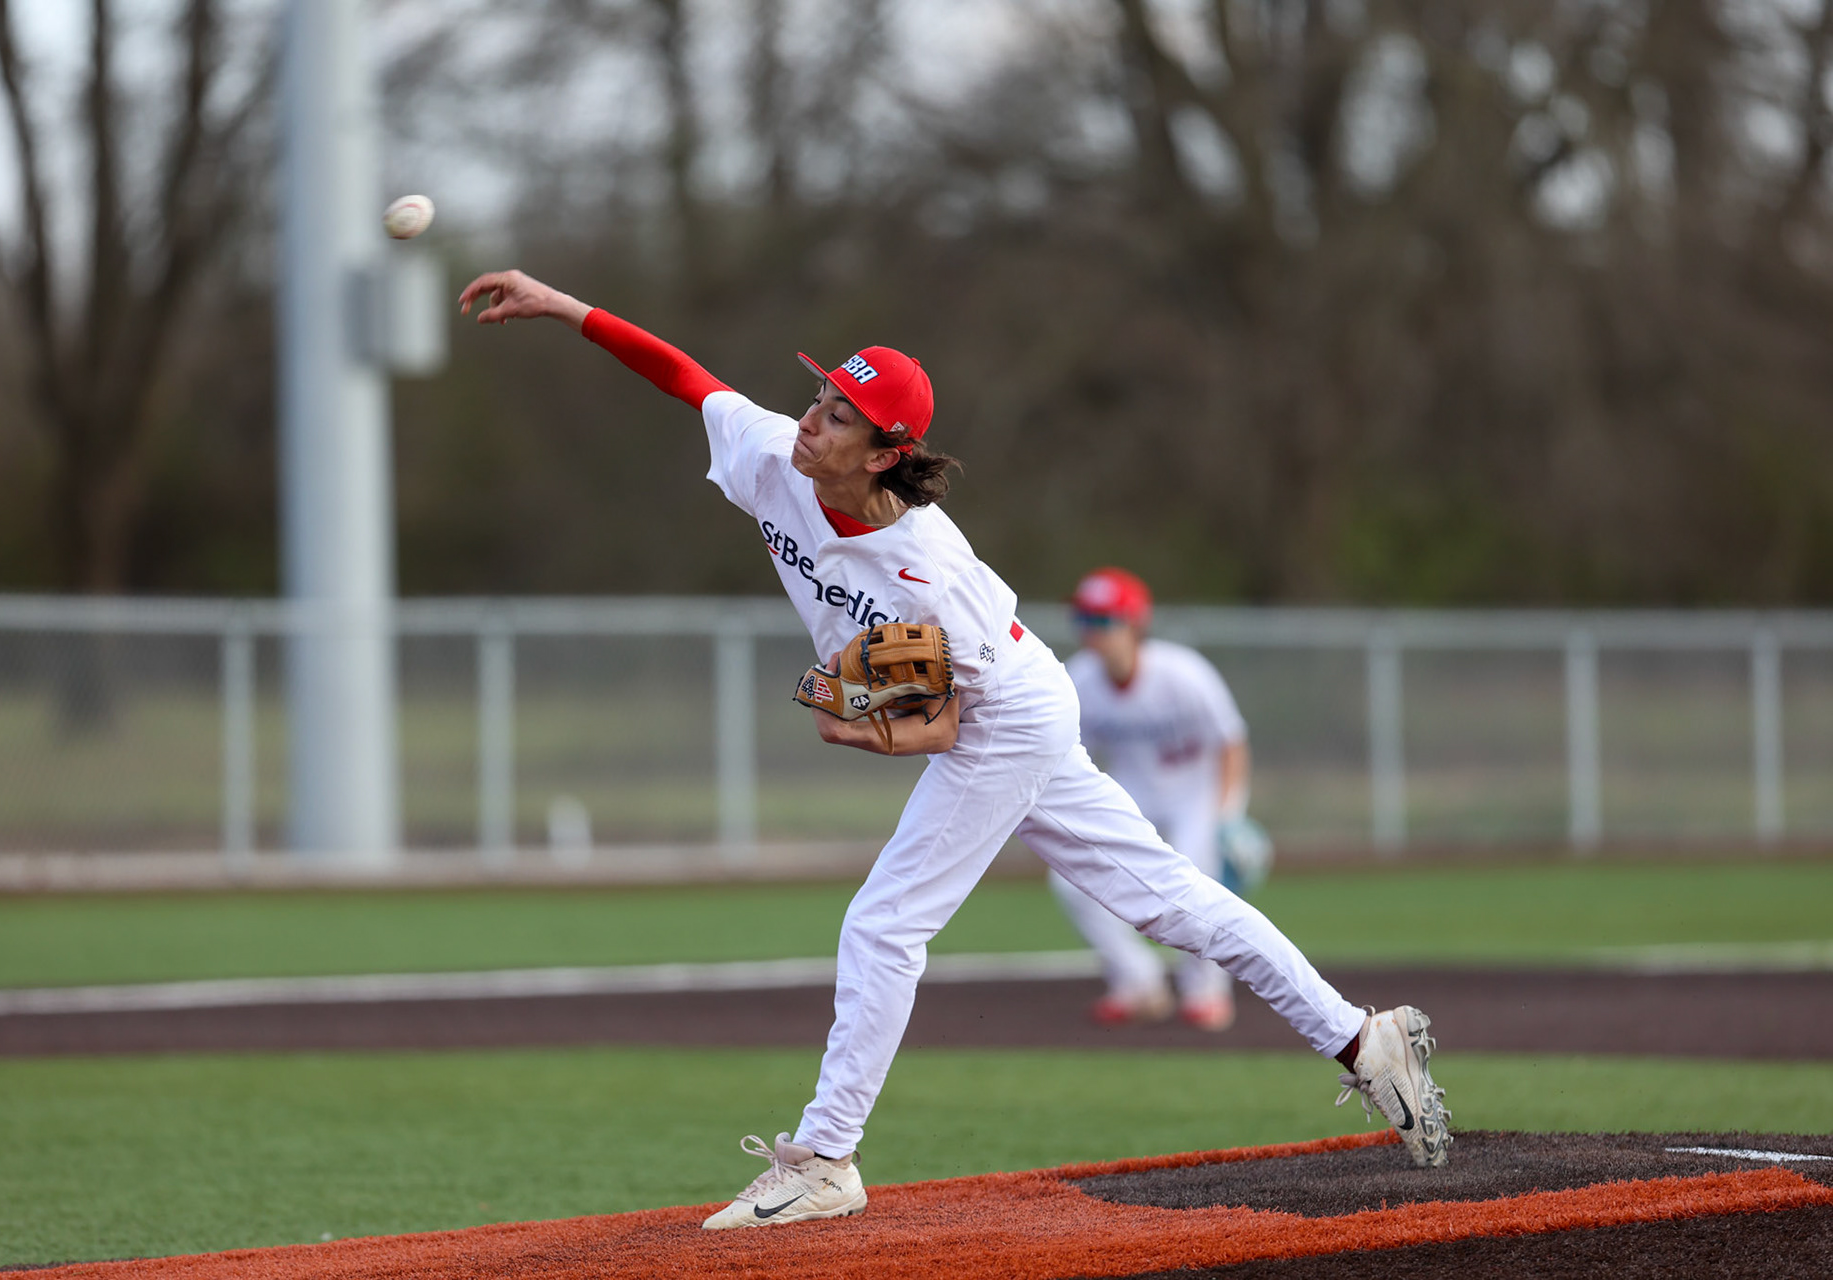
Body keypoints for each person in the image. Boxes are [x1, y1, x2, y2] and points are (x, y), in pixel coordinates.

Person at [455, 270, 1454, 1228]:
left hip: (1004, 707)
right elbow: (684, 374)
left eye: (840, 414)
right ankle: (1366, 1038)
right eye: (819, 394)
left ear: (885, 452)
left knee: (886, 922)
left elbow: (944, 727)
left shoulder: (929, 574)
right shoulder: (773, 454)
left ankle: (825, 1158)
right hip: (1012, 698)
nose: (813, 416)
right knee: (1169, 899)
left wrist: (856, 724)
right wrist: (563, 305)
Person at [1058, 566, 1254, 1031]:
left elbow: (1230, 741)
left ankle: (1206, 989)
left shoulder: (1183, 673)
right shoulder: (1078, 679)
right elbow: (1066, 750)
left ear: (1135, 623)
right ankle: (1139, 982)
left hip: (1194, 793)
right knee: (1070, 879)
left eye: (1105, 621)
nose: (1094, 632)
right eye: (1086, 620)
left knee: (1194, 877)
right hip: (1133, 791)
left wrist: (1229, 815)